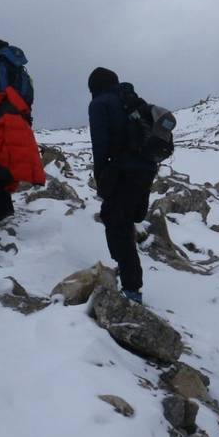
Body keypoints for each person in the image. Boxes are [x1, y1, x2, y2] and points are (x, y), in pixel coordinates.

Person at [87, 67, 157, 302]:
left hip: (123, 171)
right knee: (127, 219)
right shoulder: (132, 101)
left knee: (115, 221)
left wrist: (101, 177)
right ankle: (128, 275)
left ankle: (131, 288)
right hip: (146, 169)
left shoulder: (100, 104)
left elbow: (100, 143)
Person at [0, 41, 43, 223]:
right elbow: (29, 99)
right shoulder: (22, 73)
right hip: (21, 119)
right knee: (8, 162)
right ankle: (5, 211)